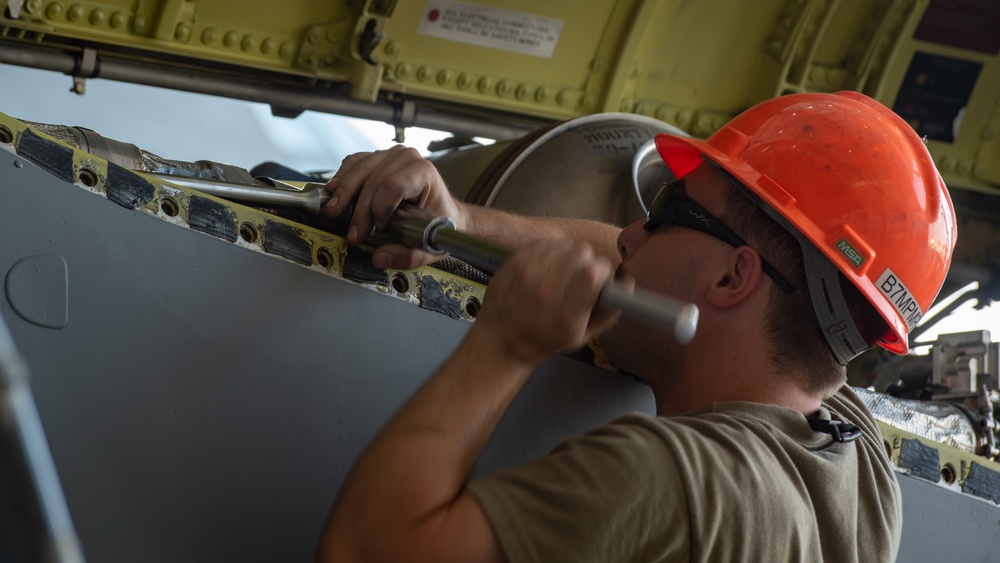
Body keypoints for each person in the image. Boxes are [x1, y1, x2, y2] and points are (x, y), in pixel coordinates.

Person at [314, 91, 956, 562]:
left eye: (668, 212)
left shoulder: (670, 482)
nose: (629, 231)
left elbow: (364, 549)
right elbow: (619, 254)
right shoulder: (855, 462)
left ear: (734, 279)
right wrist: (461, 223)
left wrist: (505, 346)